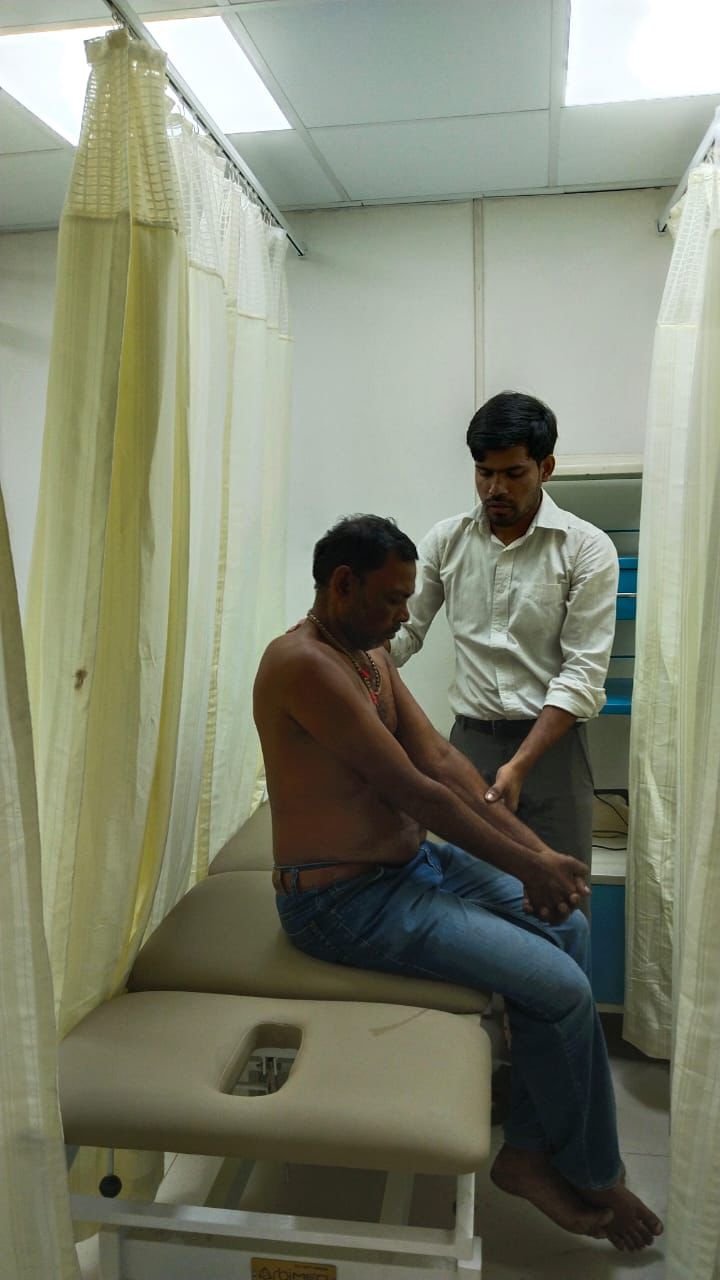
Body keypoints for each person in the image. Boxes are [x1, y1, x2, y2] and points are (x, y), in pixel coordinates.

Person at [253, 515, 662, 1252]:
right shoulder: (303, 664)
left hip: (411, 868)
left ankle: (527, 1152)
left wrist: (539, 851)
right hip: (342, 902)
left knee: (567, 925)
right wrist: (529, 865)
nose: (404, 614)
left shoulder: (368, 652)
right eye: (391, 598)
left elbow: (441, 759)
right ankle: (595, 1171)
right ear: (341, 584)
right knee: (563, 989)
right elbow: (417, 791)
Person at [390, 392, 619, 884]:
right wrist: (336, 642)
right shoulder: (446, 541)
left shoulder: (586, 548)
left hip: (553, 753)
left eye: (513, 473)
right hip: (468, 750)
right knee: (471, 900)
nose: (495, 488)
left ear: (545, 467)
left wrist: (520, 764)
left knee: (562, 899)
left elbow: (581, 674)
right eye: (483, 472)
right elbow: (403, 633)